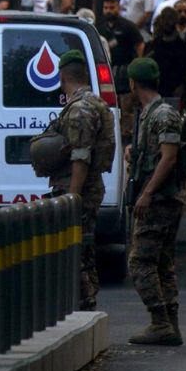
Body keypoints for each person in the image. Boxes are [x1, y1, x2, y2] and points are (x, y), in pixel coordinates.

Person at [48, 50, 116, 310]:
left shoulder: (79, 109)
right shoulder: (97, 102)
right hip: (90, 186)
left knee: (75, 248)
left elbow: (80, 157)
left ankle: (84, 303)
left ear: (62, 76)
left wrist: (72, 198)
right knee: (84, 249)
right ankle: (87, 302)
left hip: (80, 188)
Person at [125, 58, 186, 347]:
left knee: (139, 262)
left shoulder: (163, 114)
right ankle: (169, 324)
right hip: (160, 197)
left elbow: (170, 157)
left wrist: (147, 193)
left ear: (133, 84)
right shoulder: (150, 114)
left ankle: (160, 321)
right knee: (162, 263)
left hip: (160, 200)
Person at [97, 0, 143, 143]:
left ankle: (128, 140)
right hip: (107, 74)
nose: (109, 10)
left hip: (125, 73)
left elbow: (140, 44)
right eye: (106, 7)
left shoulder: (128, 26)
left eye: (112, 7)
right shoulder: (100, 27)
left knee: (127, 109)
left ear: (118, 7)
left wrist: (137, 65)